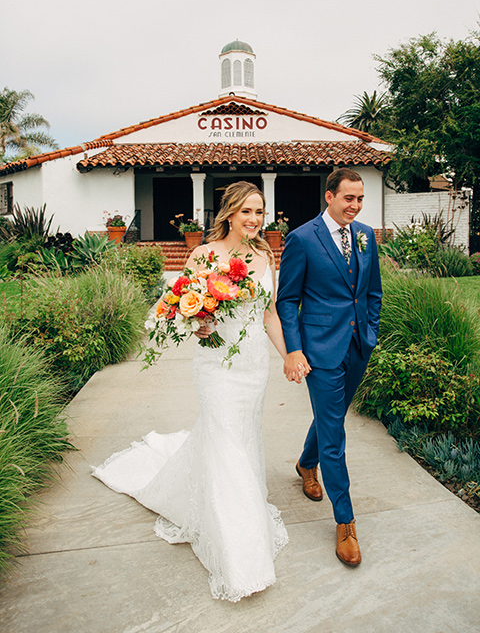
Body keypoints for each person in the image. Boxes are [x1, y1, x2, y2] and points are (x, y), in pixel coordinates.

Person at [92, 181, 289, 602]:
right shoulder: (203, 254)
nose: (255, 220)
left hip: (253, 363)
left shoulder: (265, 254)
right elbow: (181, 307)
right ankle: (239, 551)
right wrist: (197, 321)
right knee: (224, 440)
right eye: (247, 212)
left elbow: (269, 312)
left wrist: (290, 354)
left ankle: (243, 513)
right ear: (229, 214)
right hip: (217, 365)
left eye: (260, 211)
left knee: (243, 437)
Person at [276, 168, 382, 567]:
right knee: (335, 432)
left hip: (357, 346)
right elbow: (287, 300)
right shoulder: (302, 239)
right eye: (347, 198)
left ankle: (305, 462)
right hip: (320, 350)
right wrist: (295, 350)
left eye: (359, 199)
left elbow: (372, 290)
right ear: (329, 196)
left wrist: (369, 332)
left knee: (328, 418)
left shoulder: (366, 235)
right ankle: (345, 523)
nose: (354, 206)